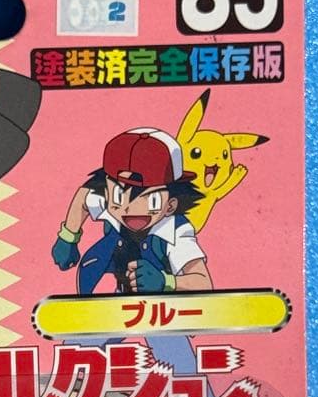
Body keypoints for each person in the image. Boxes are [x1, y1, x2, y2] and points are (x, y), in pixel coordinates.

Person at [51, 128, 212, 374]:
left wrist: (166, 282)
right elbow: (85, 196)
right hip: (120, 301)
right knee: (75, 355)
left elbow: (203, 282)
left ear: (171, 204)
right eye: (119, 195)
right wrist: (68, 236)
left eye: (151, 200)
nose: (130, 209)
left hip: (160, 310)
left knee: (182, 370)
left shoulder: (176, 231)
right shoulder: (108, 203)